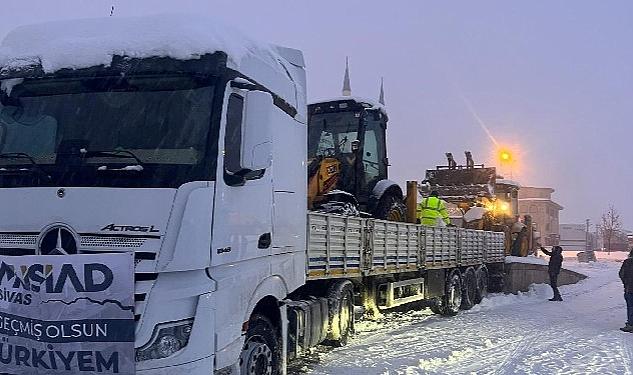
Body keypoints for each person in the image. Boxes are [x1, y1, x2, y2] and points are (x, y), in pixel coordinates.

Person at [619, 249, 633, 332]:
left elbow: (621, 274)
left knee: (630, 307)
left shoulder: (627, 262)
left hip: (629, 289)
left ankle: (631, 324)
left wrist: (626, 283)